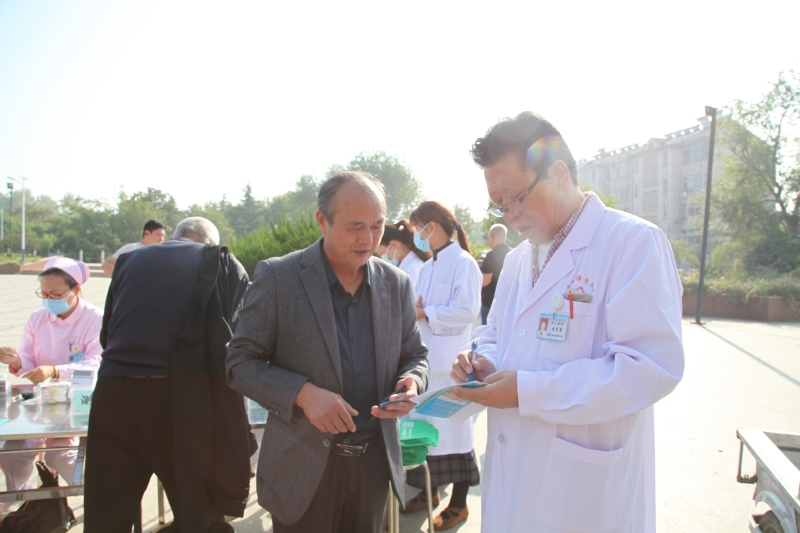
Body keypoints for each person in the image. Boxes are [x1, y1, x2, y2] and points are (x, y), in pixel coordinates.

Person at [451, 112, 684, 533]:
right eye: (499, 202)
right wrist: (481, 359)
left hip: (584, 490)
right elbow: (494, 331)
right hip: (512, 475)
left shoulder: (631, 243)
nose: (510, 213)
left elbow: (649, 369)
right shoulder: (519, 259)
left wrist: (528, 391)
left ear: (558, 173)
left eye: (516, 196)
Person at [226, 171, 429, 533]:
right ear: (322, 221)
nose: (368, 238)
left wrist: (412, 382)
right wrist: (302, 394)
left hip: (373, 466)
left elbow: (415, 354)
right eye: (355, 226)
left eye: (377, 225)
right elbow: (239, 363)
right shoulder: (279, 278)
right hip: (302, 470)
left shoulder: (395, 283)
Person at [84, 217, 251, 533]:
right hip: (178, 400)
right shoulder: (218, 260)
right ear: (209, 243)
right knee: (199, 515)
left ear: (176, 237)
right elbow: (234, 337)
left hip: (112, 393)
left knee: (106, 514)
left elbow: (107, 335)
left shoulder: (129, 260)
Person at [402, 201, 482, 531]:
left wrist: (427, 312)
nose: (417, 236)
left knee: (454, 435)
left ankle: (459, 504)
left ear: (430, 227)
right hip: (427, 361)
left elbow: (466, 310)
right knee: (429, 435)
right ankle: (429, 492)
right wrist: (422, 308)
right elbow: (422, 304)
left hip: (450, 365)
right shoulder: (430, 265)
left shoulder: (463, 263)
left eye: (418, 229)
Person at [0, 257, 102, 490]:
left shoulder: (95, 319)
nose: (49, 300)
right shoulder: (37, 319)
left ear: (76, 289)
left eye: (55, 295)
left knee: (61, 454)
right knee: (14, 450)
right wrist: (18, 361)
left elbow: (96, 364)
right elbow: (30, 360)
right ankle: (21, 500)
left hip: (76, 403)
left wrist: (55, 371)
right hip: (39, 402)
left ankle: (96, 496)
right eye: (44, 294)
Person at [376, 220, 429, 293]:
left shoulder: (411, 269)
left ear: (393, 244)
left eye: (381, 253)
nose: (382, 257)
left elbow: (412, 299)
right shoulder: (409, 266)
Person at [101, 218, 166, 276]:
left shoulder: (162, 253)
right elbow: (107, 265)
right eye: (159, 235)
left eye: (163, 236)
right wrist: (123, 278)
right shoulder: (131, 248)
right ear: (146, 233)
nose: (161, 239)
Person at [479, 224, 512, 325]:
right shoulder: (513, 254)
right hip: (509, 302)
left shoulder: (491, 256)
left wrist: (478, 272)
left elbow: (485, 281)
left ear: (492, 237)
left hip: (490, 304)